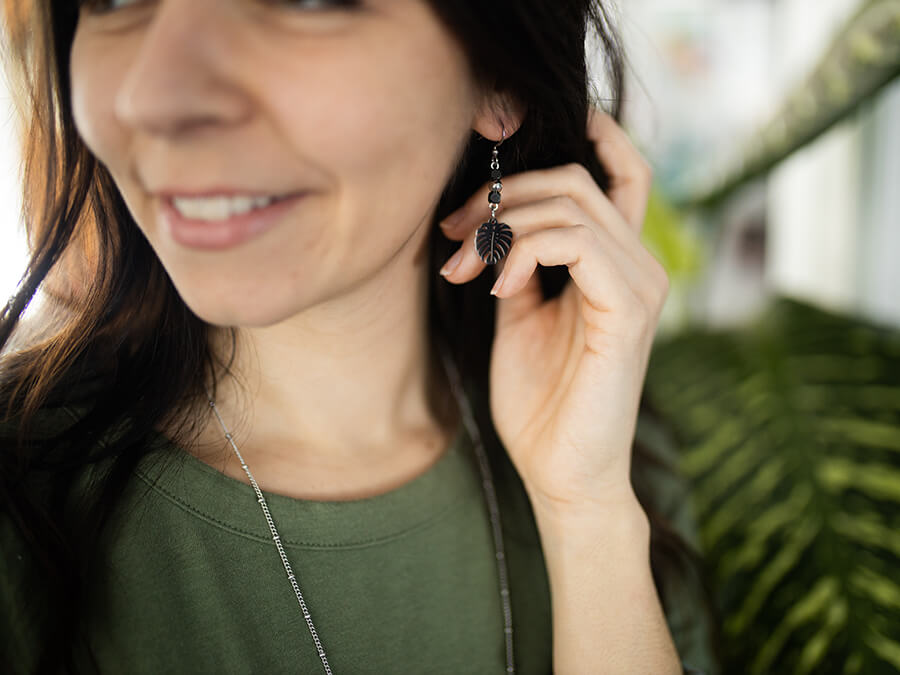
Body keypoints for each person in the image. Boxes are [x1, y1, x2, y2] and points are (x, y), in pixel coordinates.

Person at [0, 0, 720, 673]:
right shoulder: (23, 510)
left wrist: (585, 516)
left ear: (497, 77)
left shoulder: (611, 462)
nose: (154, 99)